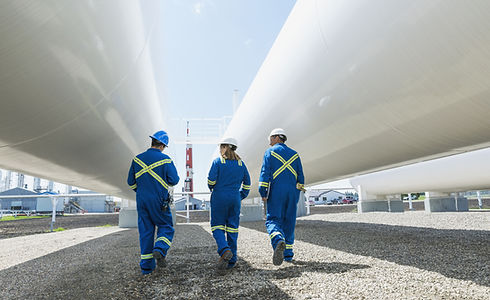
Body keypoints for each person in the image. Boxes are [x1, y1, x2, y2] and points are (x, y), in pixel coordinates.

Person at [127, 130, 179, 275]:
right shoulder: (166, 160)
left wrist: (143, 191)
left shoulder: (137, 159)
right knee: (166, 226)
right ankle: (160, 249)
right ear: (162, 145)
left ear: (152, 142)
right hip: (159, 200)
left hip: (142, 200)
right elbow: (174, 180)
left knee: (145, 231)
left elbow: (130, 182)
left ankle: (146, 268)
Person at [259, 128, 304, 265]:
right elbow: (301, 178)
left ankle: (278, 239)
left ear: (276, 137)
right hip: (292, 192)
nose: (269, 142)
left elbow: (265, 174)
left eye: (270, 139)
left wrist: (263, 192)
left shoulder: (270, 152)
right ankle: (288, 254)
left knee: (272, 220)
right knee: (289, 221)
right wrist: (296, 193)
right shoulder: (295, 154)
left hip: (277, 191)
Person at [207, 137, 251, 274]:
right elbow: (247, 184)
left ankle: (224, 250)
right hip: (234, 198)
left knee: (217, 227)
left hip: (219, 197)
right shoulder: (241, 164)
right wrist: (240, 196)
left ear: (225, 147)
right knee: (233, 229)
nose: (220, 149)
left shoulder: (218, 162)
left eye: (221, 146)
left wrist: (213, 187)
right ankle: (232, 261)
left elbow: (211, 181)